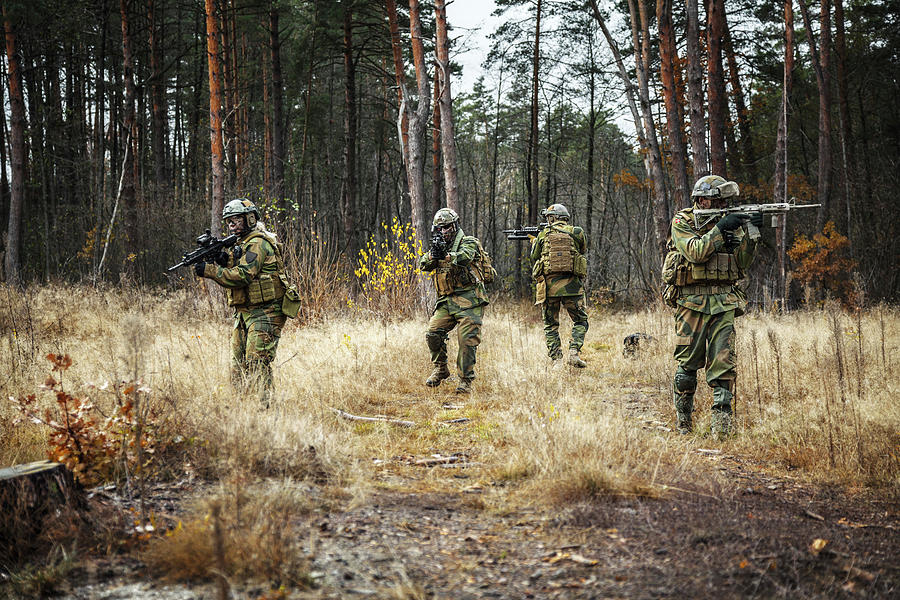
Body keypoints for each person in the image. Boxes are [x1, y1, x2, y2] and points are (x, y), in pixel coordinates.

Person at [667, 175, 760, 438]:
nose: (721, 204)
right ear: (702, 198)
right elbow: (695, 252)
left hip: (724, 302)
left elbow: (741, 264)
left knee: (724, 365)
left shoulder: (729, 221)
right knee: (687, 364)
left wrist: (752, 236)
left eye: (723, 200)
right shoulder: (682, 221)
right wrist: (721, 229)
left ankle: (722, 431)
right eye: (716, 199)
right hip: (691, 303)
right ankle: (683, 425)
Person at [194, 198, 289, 407]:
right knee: (238, 365)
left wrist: (210, 270)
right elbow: (235, 265)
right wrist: (222, 258)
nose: (231, 226)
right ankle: (241, 410)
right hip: (245, 312)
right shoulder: (241, 243)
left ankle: (267, 409)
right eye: (229, 222)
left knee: (257, 362)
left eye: (236, 220)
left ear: (250, 218)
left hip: (266, 312)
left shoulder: (258, 243)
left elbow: (244, 275)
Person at [419, 208, 489, 394]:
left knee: (466, 341)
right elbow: (423, 264)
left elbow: (466, 256)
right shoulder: (439, 244)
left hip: (470, 301)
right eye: (440, 228)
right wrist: (433, 255)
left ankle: (465, 381)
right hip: (447, 301)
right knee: (433, 332)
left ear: (455, 225)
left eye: (447, 227)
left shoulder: (468, 241)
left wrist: (449, 256)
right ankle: (441, 369)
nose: (444, 231)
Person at [530, 203, 589, 367]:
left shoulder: (543, 234)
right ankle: (574, 352)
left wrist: (535, 241)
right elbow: (582, 250)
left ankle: (557, 360)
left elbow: (534, 256)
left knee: (550, 325)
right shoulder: (577, 232)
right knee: (581, 321)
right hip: (572, 287)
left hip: (549, 289)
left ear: (552, 218)